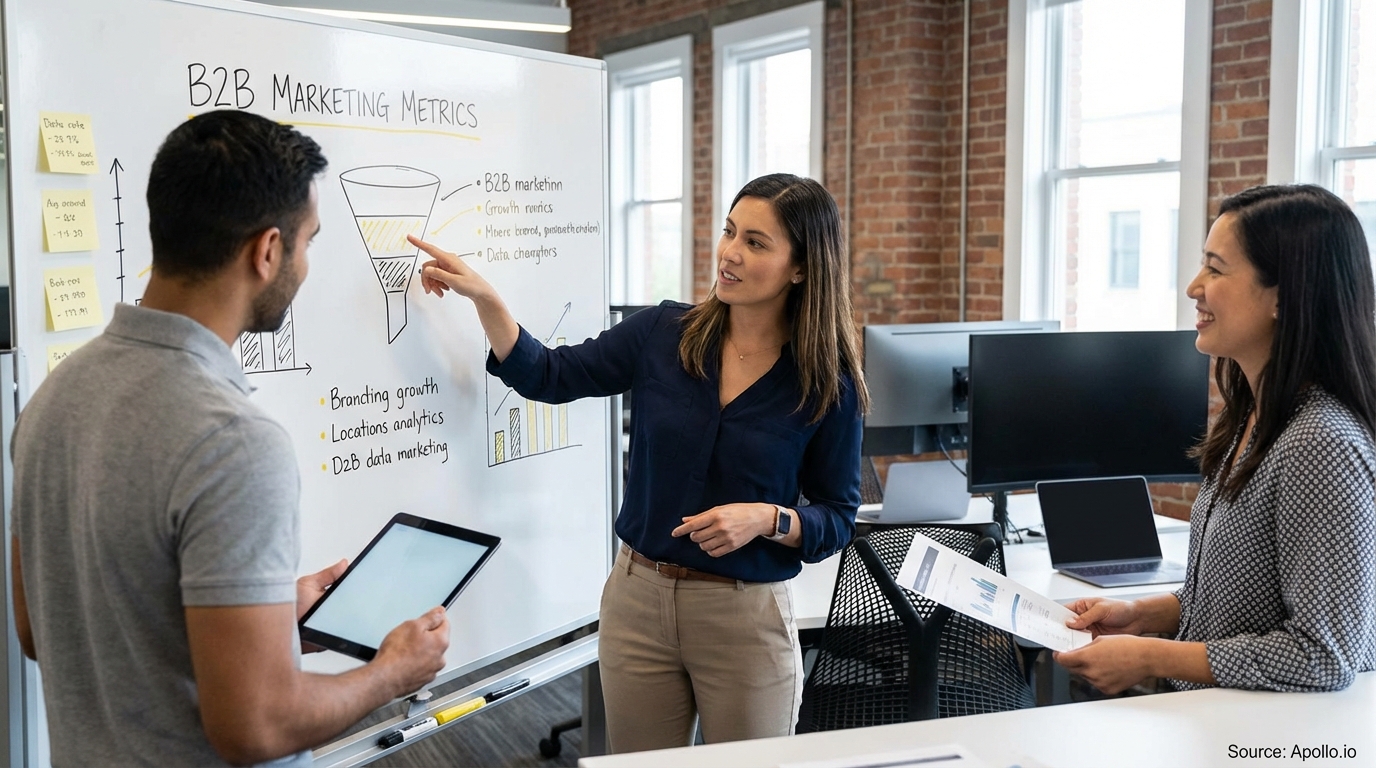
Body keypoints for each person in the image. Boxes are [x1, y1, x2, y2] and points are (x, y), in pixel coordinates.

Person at [10, 110, 450, 766]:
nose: (305, 265)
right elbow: (257, 727)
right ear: (266, 251)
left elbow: (42, 630)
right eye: (307, 242)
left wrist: (265, 618)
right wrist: (392, 671)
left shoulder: (50, 399)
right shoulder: (234, 443)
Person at [411, 173, 867, 751]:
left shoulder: (827, 382)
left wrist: (768, 519)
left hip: (743, 618)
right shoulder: (662, 332)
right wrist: (487, 300)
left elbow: (837, 518)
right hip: (638, 604)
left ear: (801, 268)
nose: (729, 253)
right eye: (730, 232)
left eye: (756, 242)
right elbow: (550, 374)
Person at [1055, 184, 1376, 693]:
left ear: (1284, 296)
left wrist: (1151, 657)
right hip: (1211, 719)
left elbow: (1323, 655)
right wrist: (1140, 615)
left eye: (1216, 268)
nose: (1193, 287)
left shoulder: (1320, 442)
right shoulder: (1254, 417)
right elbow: (1241, 597)